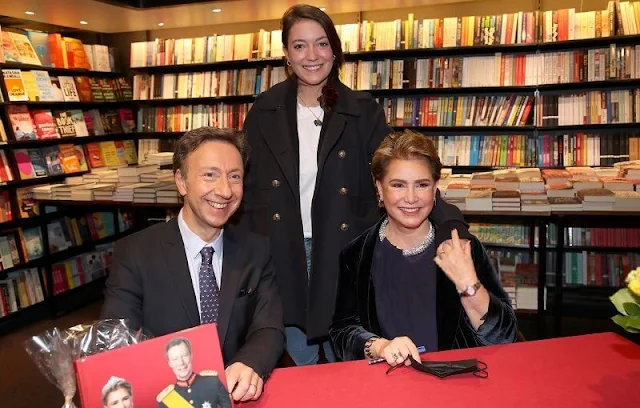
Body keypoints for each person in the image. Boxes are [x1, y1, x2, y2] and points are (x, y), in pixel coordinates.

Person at [240, 4, 470, 366]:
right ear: (286, 54)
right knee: (295, 359)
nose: (312, 56)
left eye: (321, 44)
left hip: (345, 253)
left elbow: (396, 170)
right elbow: (246, 187)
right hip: (284, 255)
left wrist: (449, 221)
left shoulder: (362, 110)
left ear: (334, 49)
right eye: (299, 46)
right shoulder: (264, 110)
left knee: (351, 355)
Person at [101, 127, 284, 403]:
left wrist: (251, 363)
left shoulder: (256, 250)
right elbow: (116, 343)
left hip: (236, 397)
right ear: (182, 182)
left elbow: (268, 328)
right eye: (210, 175)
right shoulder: (135, 253)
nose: (224, 190)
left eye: (234, 176)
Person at [330, 130, 518, 365]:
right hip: (386, 386)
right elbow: (342, 331)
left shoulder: (462, 249)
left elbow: (504, 336)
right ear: (379, 187)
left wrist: (468, 283)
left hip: (456, 383)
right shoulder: (355, 255)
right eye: (398, 185)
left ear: (435, 187)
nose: (411, 198)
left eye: (421, 184)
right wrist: (380, 346)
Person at [157, 337, 231, 408]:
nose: (181, 362)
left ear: (191, 356)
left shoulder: (212, 382)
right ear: (169, 363)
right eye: (175, 359)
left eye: (184, 355)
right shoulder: (166, 400)